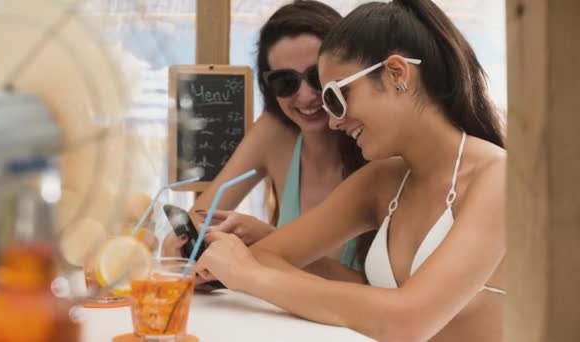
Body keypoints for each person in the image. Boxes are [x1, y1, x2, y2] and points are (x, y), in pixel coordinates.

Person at [195, 1, 507, 340]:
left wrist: (251, 277)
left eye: (336, 96)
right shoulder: (382, 180)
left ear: (397, 75)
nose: (333, 120)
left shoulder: (498, 180)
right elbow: (266, 257)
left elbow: (409, 321)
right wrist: (255, 256)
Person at [164, 0, 366, 279]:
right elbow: (200, 217)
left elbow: (375, 290)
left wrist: (265, 241)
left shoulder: (376, 145)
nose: (306, 96)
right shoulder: (275, 133)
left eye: (317, 77)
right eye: (285, 82)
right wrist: (183, 246)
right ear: (269, 89)